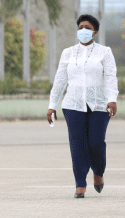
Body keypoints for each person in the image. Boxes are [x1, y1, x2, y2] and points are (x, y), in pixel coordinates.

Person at [47, 14, 119, 198]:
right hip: (73, 104)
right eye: (80, 27)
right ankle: (80, 183)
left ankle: (98, 172)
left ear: (94, 32)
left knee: (95, 142)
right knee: (77, 142)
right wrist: (52, 104)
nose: (83, 30)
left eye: (87, 27)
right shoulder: (68, 53)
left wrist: (112, 98)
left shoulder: (105, 52)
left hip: (99, 104)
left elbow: (110, 76)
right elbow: (60, 80)